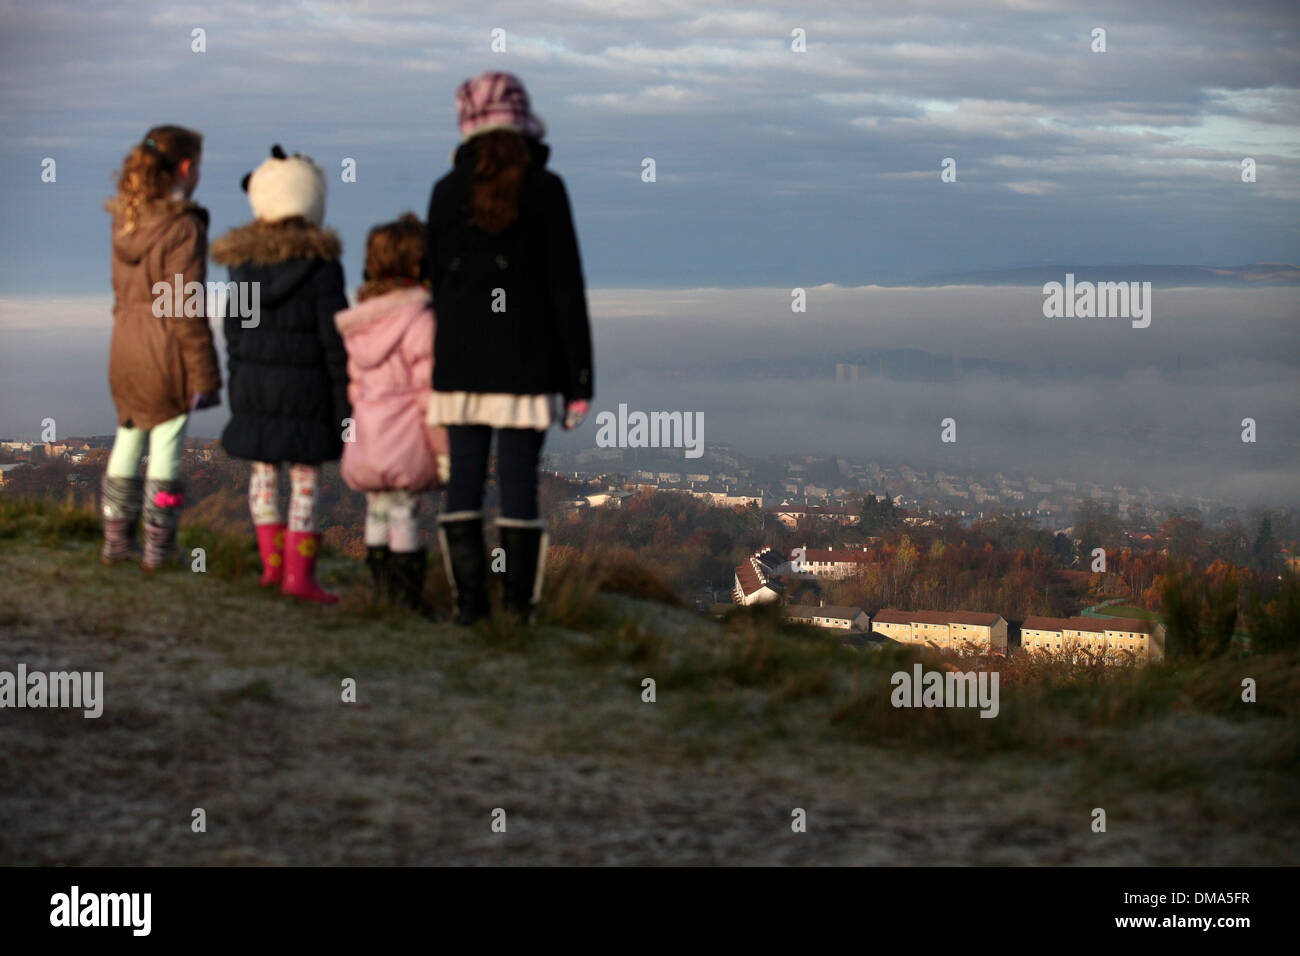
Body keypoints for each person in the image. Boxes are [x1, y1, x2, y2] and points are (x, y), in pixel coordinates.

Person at [424, 71, 594, 625]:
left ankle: (469, 607)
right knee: (521, 485)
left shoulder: (447, 192)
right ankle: (520, 611)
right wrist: (579, 381)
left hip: (461, 365)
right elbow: (565, 288)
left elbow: (433, 288)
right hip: (527, 366)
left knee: (464, 484)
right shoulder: (547, 189)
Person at [211, 145, 351, 603]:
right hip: (308, 391)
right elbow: (335, 340)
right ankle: (300, 577)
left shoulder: (243, 267)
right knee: (307, 482)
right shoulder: (323, 267)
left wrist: (240, 382)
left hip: (254, 389)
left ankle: (272, 570)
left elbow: (235, 332)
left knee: (264, 476)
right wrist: (344, 404)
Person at [101, 125, 222, 571]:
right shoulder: (183, 227)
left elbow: (122, 295)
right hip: (164, 350)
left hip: (125, 345)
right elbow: (184, 308)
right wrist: (206, 374)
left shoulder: (125, 220)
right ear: (186, 168)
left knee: (128, 437)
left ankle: (116, 542)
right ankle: (158, 547)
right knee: (167, 445)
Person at [334, 213, 448, 616]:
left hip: (367, 438)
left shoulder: (361, 323)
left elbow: (354, 388)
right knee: (403, 512)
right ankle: (406, 598)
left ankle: (378, 590)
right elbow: (428, 396)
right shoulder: (420, 320)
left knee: (377, 508)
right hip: (405, 439)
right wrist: (443, 451)